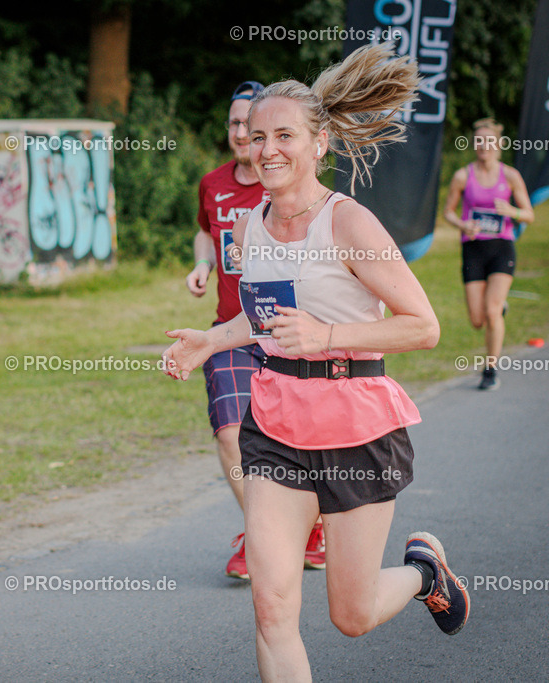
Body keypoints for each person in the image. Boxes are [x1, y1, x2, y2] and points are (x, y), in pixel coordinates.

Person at [162, 44, 470, 681]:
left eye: (284, 136)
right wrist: (215, 340)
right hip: (273, 425)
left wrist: (327, 333)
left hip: (357, 428)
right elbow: (267, 316)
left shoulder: (350, 223)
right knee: (272, 607)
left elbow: (425, 326)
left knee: (350, 616)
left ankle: (422, 574)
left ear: (319, 142)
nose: (266, 149)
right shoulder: (248, 227)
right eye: (256, 136)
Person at [186, 80, 324, 579]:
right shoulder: (213, 183)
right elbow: (206, 230)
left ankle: (305, 525)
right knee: (230, 435)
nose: (243, 133)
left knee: (293, 440)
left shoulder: (280, 182)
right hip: (231, 327)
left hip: (286, 330)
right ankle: (262, 536)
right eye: (236, 124)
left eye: (253, 124)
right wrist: (202, 265)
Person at [443, 118, 534, 390]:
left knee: (491, 311)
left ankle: (490, 370)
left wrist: (512, 212)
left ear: (499, 144)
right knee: (477, 319)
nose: (484, 145)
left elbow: (529, 214)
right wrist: (463, 224)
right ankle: (500, 307)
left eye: (489, 141)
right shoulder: (463, 176)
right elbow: (448, 211)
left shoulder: (510, 176)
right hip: (473, 249)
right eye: (479, 141)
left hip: (501, 247)